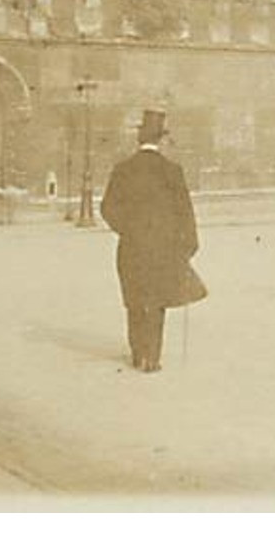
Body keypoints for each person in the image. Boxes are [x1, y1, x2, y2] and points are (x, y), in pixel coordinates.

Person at [100, 109, 206, 373]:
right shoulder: (172, 171)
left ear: (139, 138)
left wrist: (127, 229)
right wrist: (188, 245)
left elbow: (107, 208)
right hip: (164, 249)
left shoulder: (123, 169)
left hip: (131, 248)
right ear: (160, 139)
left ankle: (137, 353)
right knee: (157, 301)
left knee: (135, 299)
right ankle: (153, 357)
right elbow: (185, 212)